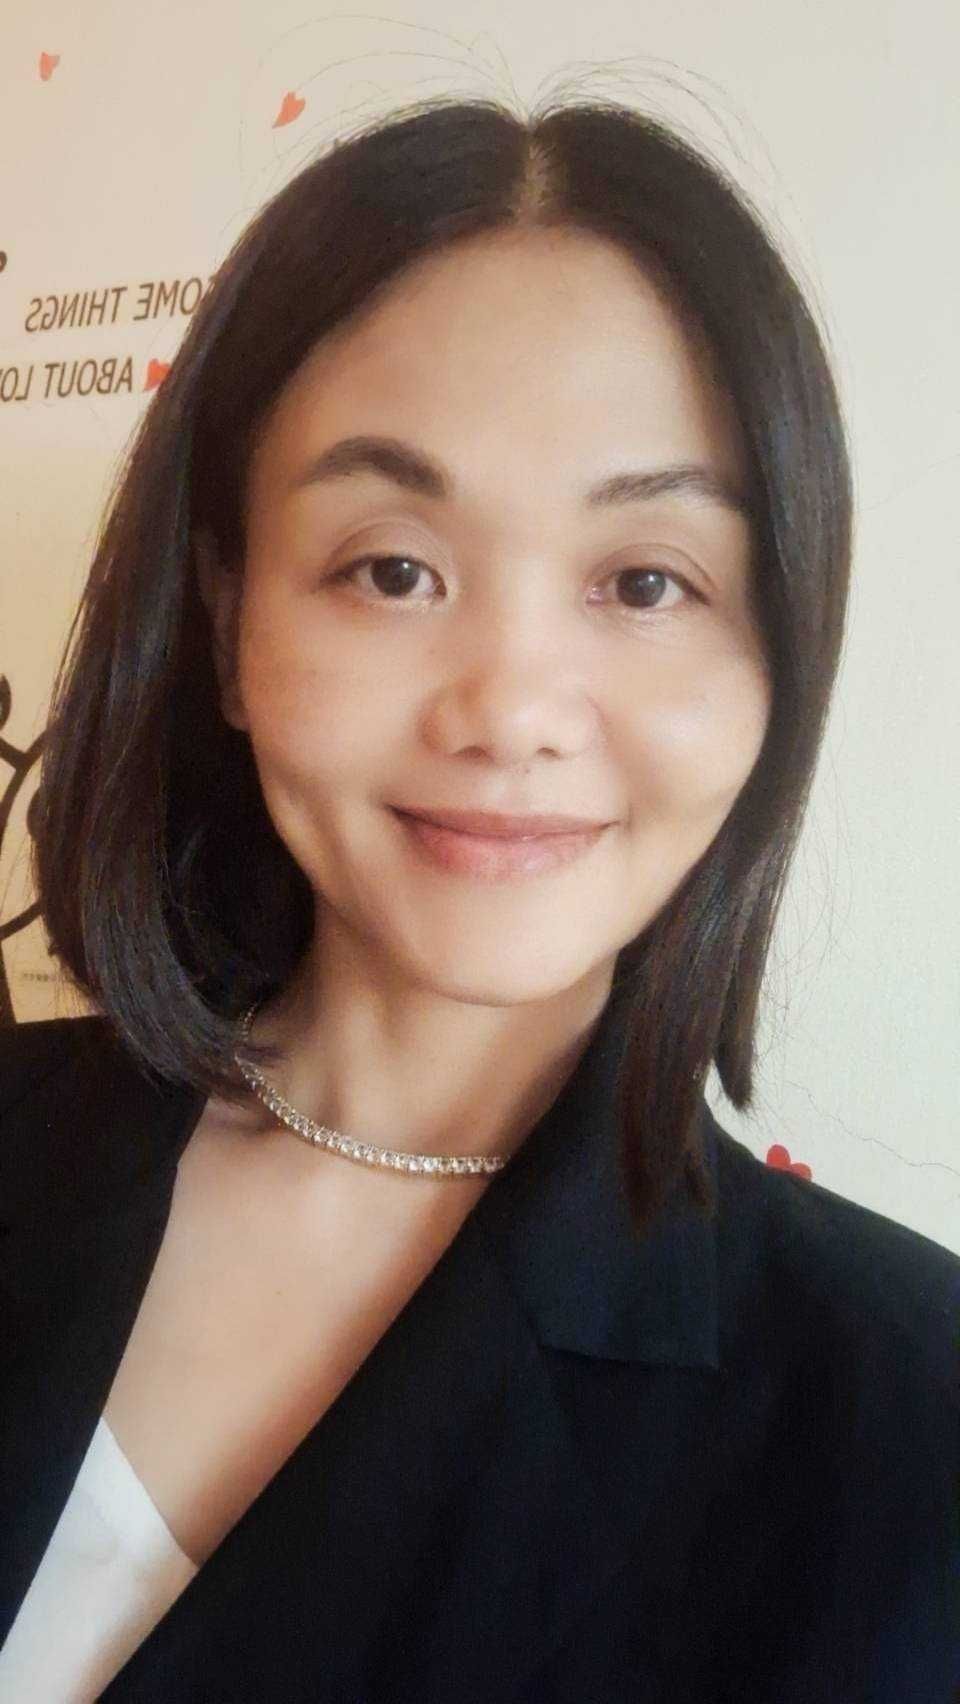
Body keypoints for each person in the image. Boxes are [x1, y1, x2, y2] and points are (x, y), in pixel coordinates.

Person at [0, 93, 956, 1703]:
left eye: (645, 582)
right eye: (393, 569)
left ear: (776, 662)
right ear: (230, 621)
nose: (511, 711)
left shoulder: (906, 1423)